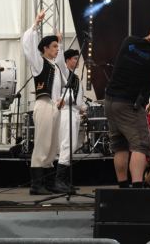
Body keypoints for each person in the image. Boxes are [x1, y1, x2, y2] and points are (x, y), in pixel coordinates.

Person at [104, 23, 150, 188]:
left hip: (110, 100)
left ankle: (123, 185)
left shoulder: (129, 41)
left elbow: (143, 45)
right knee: (140, 145)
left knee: (120, 146)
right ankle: (137, 186)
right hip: (130, 105)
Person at [22, 11, 69, 195]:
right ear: (45, 49)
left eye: (58, 46)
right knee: (42, 145)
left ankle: (49, 182)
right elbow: (27, 46)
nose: (57, 49)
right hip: (43, 106)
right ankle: (36, 185)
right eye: (54, 46)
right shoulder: (39, 63)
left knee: (52, 147)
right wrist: (36, 24)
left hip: (54, 107)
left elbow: (62, 83)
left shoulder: (55, 66)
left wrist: (61, 100)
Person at [56, 48, 86, 192]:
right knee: (67, 145)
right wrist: (59, 44)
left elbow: (78, 100)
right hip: (67, 111)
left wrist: (83, 107)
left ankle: (65, 181)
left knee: (72, 146)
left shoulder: (76, 77)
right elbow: (59, 61)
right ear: (67, 60)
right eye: (74, 58)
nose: (77, 60)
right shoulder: (65, 73)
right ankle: (60, 181)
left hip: (74, 112)